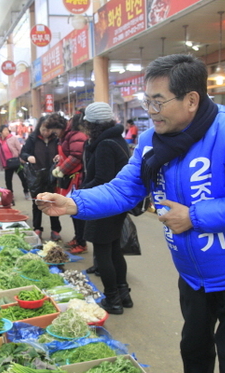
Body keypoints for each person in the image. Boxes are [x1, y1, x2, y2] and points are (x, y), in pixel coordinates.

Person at [37, 54, 225, 373]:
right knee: (193, 349)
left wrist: (194, 217)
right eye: (147, 101)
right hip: (193, 272)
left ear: (191, 99)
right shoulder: (152, 140)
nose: (150, 111)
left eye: (158, 102)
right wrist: (74, 203)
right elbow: (124, 188)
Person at [78, 102, 132, 314]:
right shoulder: (117, 139)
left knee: (102, 253)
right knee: (114, 250)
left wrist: (79, 194)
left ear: (92, 125)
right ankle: (124, 295)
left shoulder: (104, 145)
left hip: (103, 204)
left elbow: (102, 179)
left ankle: (112, 300)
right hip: (116, 203)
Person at [45, 112, 87, 251]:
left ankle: (82, 242)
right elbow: (69, 152)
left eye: (54, 130)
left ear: (60, 126)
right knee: (73, 211)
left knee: (78, 210)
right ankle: (78, 238)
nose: (54, 134)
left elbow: (76, 156)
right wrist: (60, 158)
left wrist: (62, 169)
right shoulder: (66, 136)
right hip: (70, 179)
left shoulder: (75, 135)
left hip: (77, 179)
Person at [20, 115, 62, 241]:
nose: (45, 132)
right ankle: (37, 228)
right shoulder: (32, 139)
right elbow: (23, 153)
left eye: (48, 130)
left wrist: (60, 156)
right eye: (43, 129)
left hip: (52, 175)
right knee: (37, 202)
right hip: (36, 175)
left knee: (53, 202)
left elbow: (63, 151)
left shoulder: (56, 139)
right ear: (39, 128)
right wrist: (28, 157)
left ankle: (55, 230)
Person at [0, 124, 30, 203]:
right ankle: (11, 195)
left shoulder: (13, 138)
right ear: (0, 132)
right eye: (5, 130)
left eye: (7, 130)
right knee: (8, 181)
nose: (7, 131)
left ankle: (26, 191)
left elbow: (19, 149)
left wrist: (22, 159)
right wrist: (0, 165)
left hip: (16, 162)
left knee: (23, 178)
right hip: (7, 164)